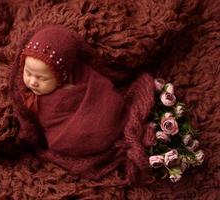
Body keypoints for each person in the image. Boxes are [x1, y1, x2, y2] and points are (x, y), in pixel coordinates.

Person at [9, 24, 156, 182]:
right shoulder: (27, 93)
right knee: (60, 142)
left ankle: (108, 135)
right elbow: (32, 123)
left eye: (42, 78)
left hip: (99, 118)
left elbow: (102, 90)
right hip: (64, 135)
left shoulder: (81, 74)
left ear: (62, 77)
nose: (32, 82)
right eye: (28, 72)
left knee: (112, 107)